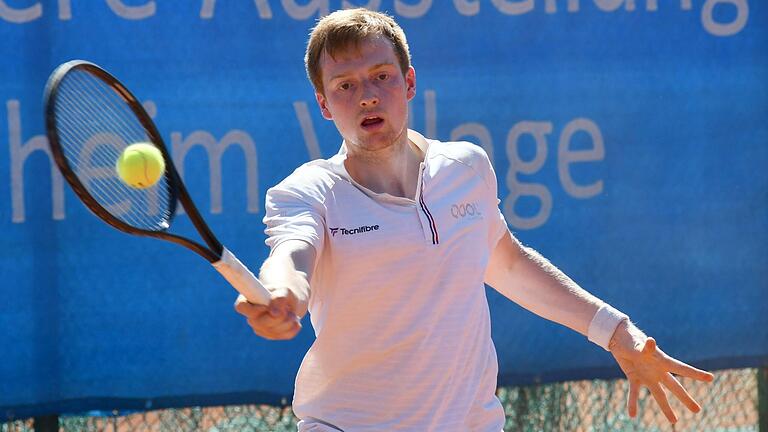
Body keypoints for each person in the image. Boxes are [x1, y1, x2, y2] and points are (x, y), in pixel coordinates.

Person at [234, 8, 714, 431]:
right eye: (345, 85)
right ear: (323, 104)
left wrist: (615, 331)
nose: (366, 96)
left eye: (381, 75)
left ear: (410, 82)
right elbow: (292, 255)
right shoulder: (306, 191)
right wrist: (284, 293)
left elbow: (505, 262)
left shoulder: (465, 167)